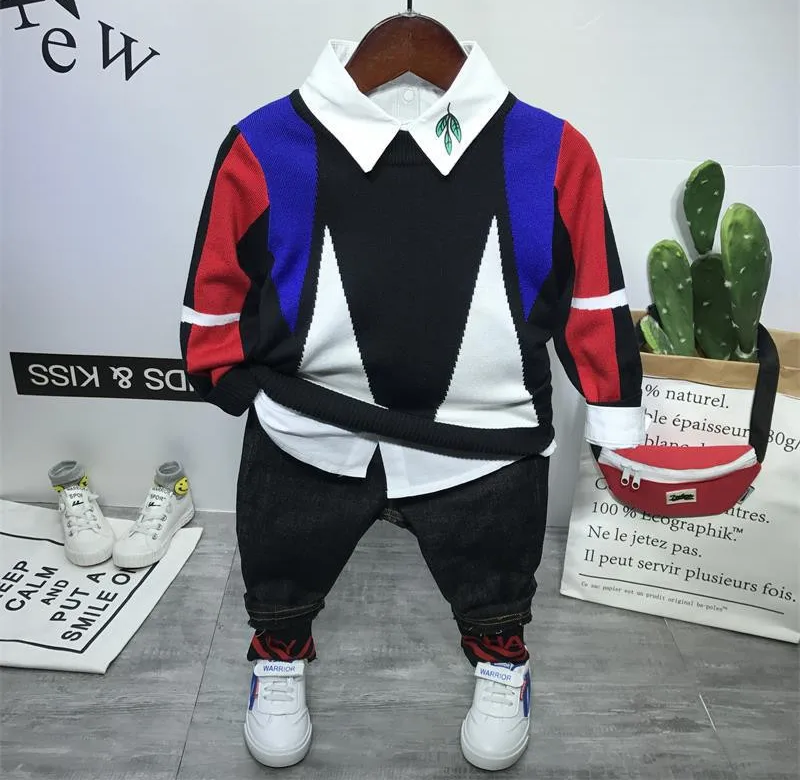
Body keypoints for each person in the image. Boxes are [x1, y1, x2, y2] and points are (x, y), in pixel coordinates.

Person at [180, 39, 644, 771]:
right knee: (281, 563)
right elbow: (218, 277)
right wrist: (222, 373)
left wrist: (615, 411)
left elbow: (592, 289)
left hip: (485, 434)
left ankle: (502, 660)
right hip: (311, 422)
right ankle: (279, 652)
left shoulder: (552, 151)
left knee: (496, 576)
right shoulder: (265, 142)